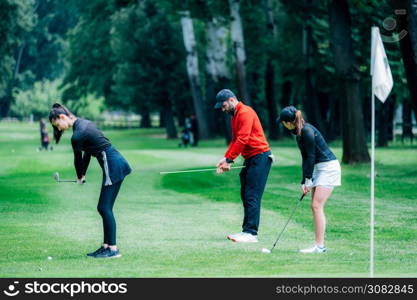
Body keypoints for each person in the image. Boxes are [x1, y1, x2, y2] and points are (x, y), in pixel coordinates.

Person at [49, 103, 131, 258]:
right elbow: (87, 152)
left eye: (57, 125)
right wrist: (83, 174)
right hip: (115, 163)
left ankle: (112, 249)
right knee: (104, 207)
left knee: (104, 208)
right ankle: (106, 246)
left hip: (112, 165)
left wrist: (79, 176)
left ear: (62, 117)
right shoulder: (83, 124)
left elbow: (77, 159)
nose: (59, 129)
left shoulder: (77, 135)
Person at [277, 106, 341, 253]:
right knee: (315, 206)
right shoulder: (300, 132)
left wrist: (308, 179)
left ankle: (319, 246)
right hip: (320, 168)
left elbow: (311, 156)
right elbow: (305, 158)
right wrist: (304, 180)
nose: (282, 125)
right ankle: (319, 245)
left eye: (283, 123)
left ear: (288, 123)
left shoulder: (306, 131)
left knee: (316, 206)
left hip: (328, 168)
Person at [214, 89, 273, 243]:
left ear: (232, 100)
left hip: (261, 157)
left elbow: (243, 139)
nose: (222, 108)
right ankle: (246, 231)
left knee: (252, 194)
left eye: (224, 105)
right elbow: (235, 140)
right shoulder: (234, 116)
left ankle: (251, 233)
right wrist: (225, 158)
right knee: (245, 194)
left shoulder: (245, 112)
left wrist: (230, 160)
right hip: (251, 158)